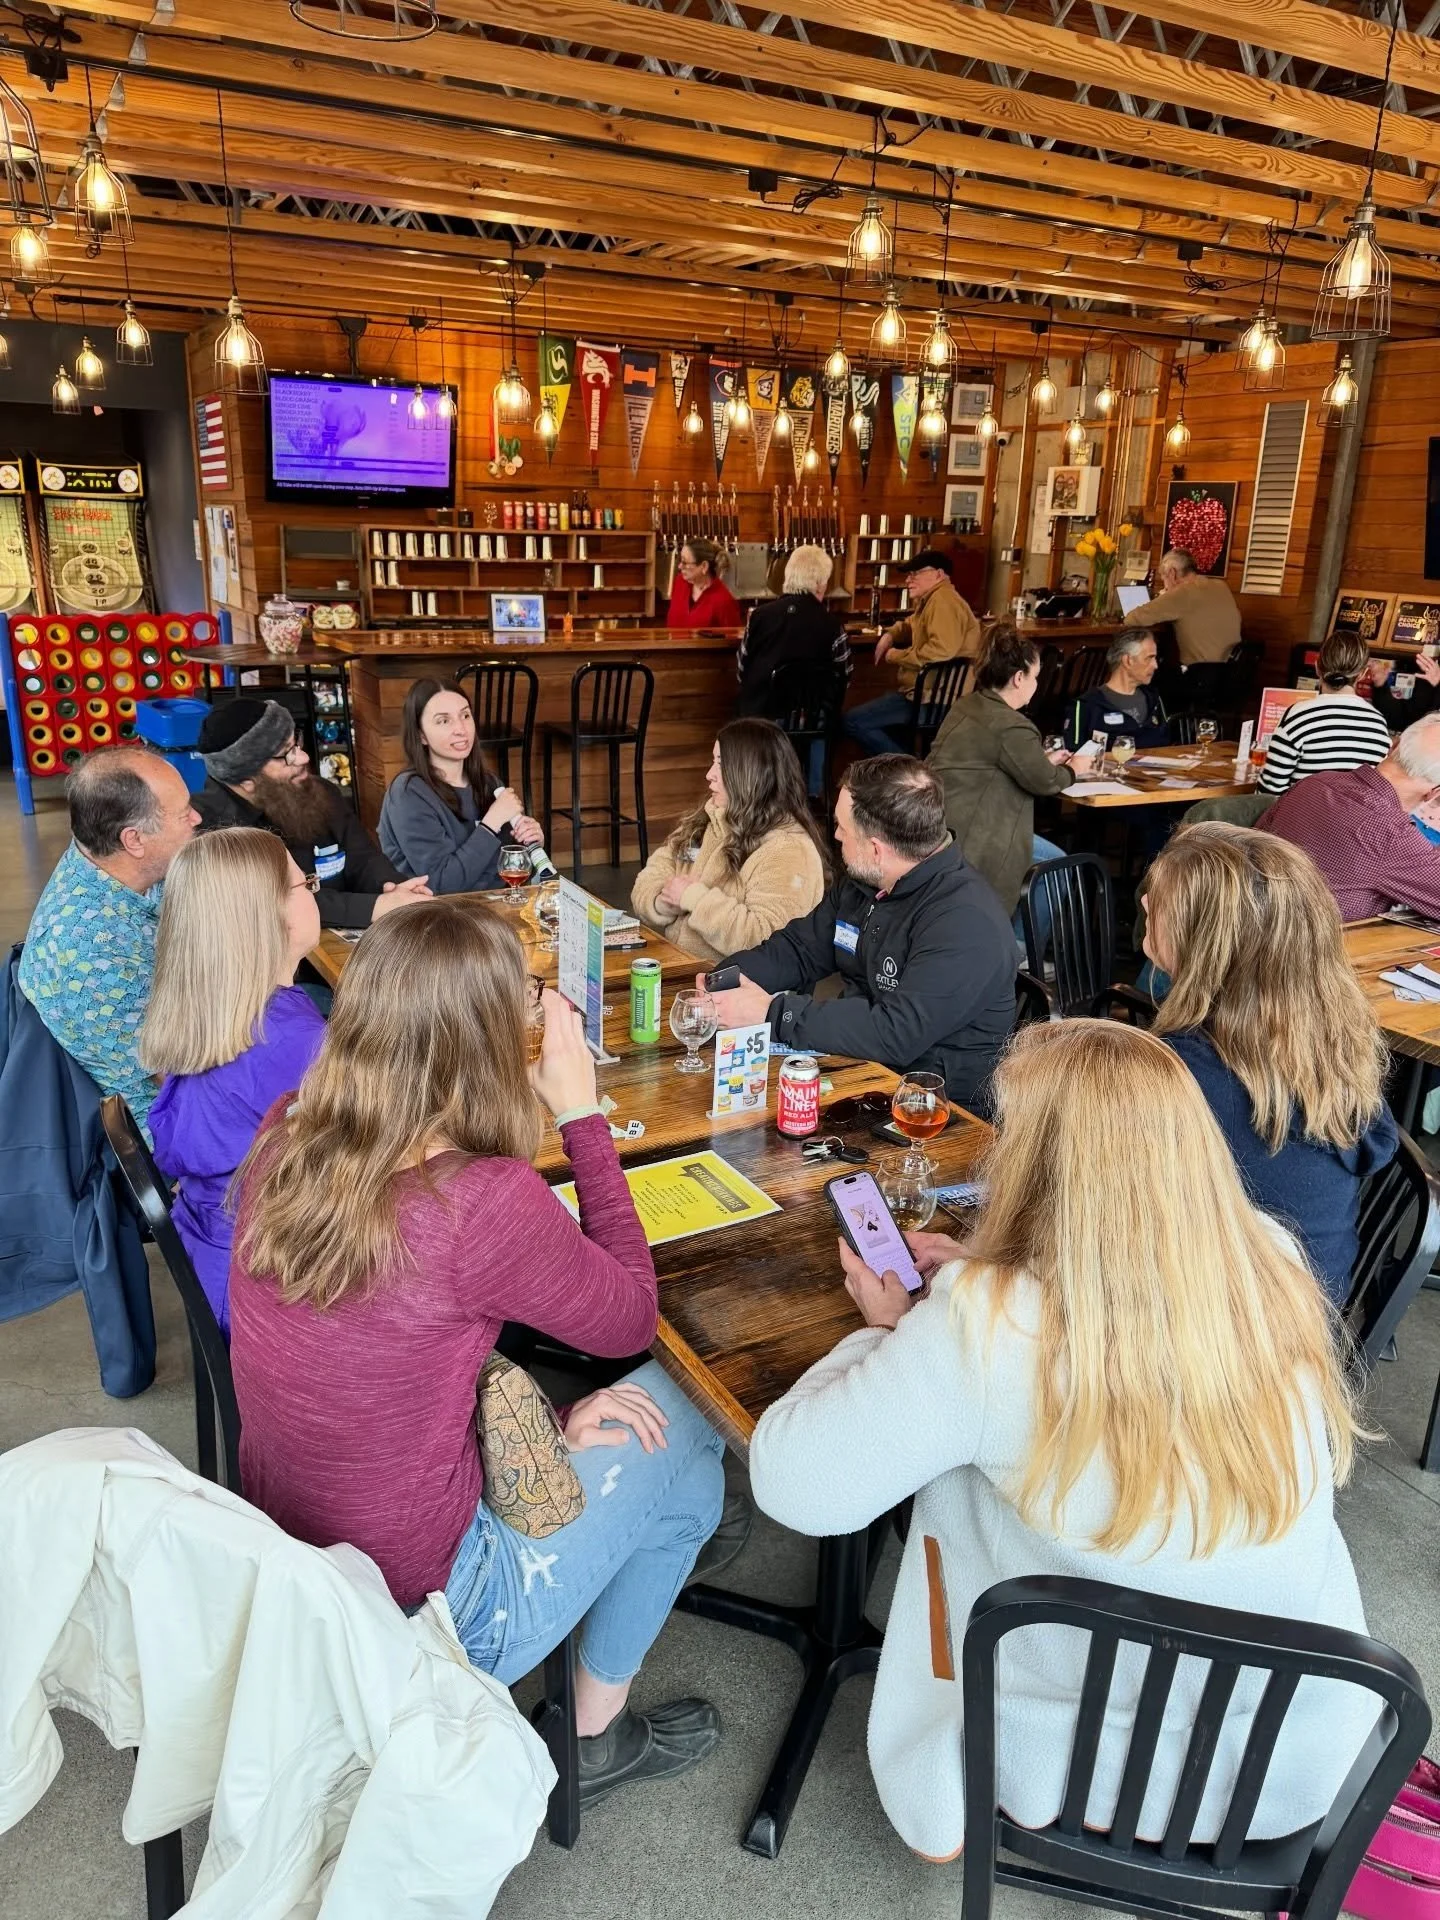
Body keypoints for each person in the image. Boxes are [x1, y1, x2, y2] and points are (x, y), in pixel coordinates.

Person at [747, 1018, 1373, 1863]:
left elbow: (795, 1484)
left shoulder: (990, 1325)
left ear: (1038, 1167)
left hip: (1092, 1765)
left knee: (963, 1465)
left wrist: (895, 1330)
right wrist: (987, 1266)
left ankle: (947, 1794)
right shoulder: (1269, 1262)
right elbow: (1111, 1298)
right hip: (1296, 1746)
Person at [228, 898, 729, 1808]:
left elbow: (385, 1350)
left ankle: (654, 1537)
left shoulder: (288, 1131)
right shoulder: (480, 1201)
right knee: (689, 1416)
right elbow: (628, 1321)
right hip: (442, 1612)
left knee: (679, 1479)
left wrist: (542, 1419)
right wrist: (580, 1116)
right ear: (488, 1040)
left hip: (293, 1572)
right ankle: (589, 1732)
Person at [1143, 823, 1396, 1303]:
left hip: (1236, 1336)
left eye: (1158, 901)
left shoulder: (1182, 1073)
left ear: (1207, 942)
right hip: (1310, 1306)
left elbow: (1111, 1227)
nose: (1145, 905)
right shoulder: (1332, 1042)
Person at [704, 755, 1016, 1110]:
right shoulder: (867, 882)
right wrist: (727, 982)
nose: (835, 835)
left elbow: (894, 1033)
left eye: (842, 828)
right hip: (861, 1074)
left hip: (936, 1112)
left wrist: (771, 1012)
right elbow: (799, 949)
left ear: (875, 848)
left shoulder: (965, 923)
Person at [141, 829, 328, 1339]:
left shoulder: (214, 1012)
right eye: (302, 883)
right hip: (270, 1287)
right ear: (267, 918)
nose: (313, 891)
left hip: (216, 1253)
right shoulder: (291, 1038)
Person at [18, 745, 198, 1131]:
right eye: (184, 814)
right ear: (133, 840)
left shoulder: (112, 867)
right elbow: (173, 1076)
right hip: (171, 1133)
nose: (197, 819)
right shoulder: (91, 950)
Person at [194, 698, 431, 931]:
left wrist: (397, 891)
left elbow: (363, 859)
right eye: (286, 755)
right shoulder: (209, 830)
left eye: (295, 743)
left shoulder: (316, 790)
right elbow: (274, 903)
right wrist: (374, 907)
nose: (303, 757)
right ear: (247, 782)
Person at [927, 622, 1097, 924]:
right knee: (1061, 868)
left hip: (942, 822)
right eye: (1036, 676)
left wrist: (1041, 758)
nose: (1037, 683)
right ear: (1019, 678)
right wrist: (1073, 768)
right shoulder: (1012, 725)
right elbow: (1045, 781)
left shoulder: (968, 706)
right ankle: (1019, 949)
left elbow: (1003, 760)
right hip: (979, 834)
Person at [631, 720, 829, 965]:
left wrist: (695, 898)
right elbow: (652, 875)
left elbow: (768, 941)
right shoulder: (708, 818)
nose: (709, 775)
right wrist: (662, 903)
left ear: (749, 774)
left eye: (721, 764)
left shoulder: (788, 850)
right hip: (682, 973)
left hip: (735, 994)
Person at [378, 678, 548, 895]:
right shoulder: (407, 794)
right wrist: (491, 823)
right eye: (443, 721)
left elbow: (510, 873)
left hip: (492, 908)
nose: (460, 729)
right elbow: (442, 885)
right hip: (435, 918)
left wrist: (530, 846)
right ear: (421, 735)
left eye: (465, 716)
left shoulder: (488, 783)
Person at [1262, 713, 1440, 921]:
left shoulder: (1315, 782)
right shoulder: (1391, 832)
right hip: (1317, 948)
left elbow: (1254, 840)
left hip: (1248, 928)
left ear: (1394, 746)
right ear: (1434, 793)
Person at [844, 550, 981, 757]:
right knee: (888, 726)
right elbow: (912, 624)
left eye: (915, 573)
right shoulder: (934, 599)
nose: (908, 579)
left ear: (938, 574)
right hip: (925, 695)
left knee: (852, 721)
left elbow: (941, 649)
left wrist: (895, 655)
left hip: (934, 700)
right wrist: (891, 634)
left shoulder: (943, 602)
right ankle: (909, 768)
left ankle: (909, 769)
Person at [1258, 633, 1392, 797]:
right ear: (1363, 674)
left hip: (1298, 820)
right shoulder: (1378, 724)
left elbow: (1269, 793)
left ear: (1317, 666)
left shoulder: (1298, 715)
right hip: (1350, 822)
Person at [734, 544, 852, 719]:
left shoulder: (759, 616)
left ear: (788, 576)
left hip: (759, 721)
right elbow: (844, 678)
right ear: (820, 584)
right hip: (809, 723)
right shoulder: (832, 625)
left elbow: (742, 669)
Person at [1121, 548, 1241, 668]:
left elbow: (1132, 618)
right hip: (1230, 673)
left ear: (1172, 573)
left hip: (1199, 676)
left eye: (1164, 579)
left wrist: (1166, 596)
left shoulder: (1182, 593)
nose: (1165, 586)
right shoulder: (1221, 586)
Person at [1063, 629, 1170, 752]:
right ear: (1128, 660)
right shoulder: (1086, 706)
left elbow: (1167, 745)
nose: (1155, 665)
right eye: (1149, 658)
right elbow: (1072, 756)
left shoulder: (1154, 699)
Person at [666, 537, 742, 630]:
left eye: (685, 562)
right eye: (680, 561)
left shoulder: (724, 601)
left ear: (704, 566)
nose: (680, 566)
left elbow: (734, 641)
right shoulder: (680, 583)